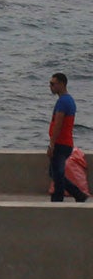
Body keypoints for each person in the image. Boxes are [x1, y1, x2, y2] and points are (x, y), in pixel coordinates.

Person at [49, 73, 87, 203]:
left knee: (58, 174)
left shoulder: (63, 102)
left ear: (61, 84)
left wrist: (51, 144)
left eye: (53, 84)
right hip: (66, 143)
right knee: (53, 172)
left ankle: (57, 202)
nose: (50, 87)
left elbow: (58, 124)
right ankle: (79, 195)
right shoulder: (68, 100)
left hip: (60, 143)